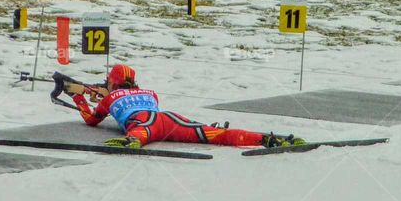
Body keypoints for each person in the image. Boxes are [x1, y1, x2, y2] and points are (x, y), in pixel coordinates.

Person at [72, 64, 305, 149]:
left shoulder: (109, 98)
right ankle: (264, 139)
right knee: (213, 134)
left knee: (139, 134)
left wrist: (79, 98)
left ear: (111, 82)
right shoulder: (149, 92)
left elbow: (93, 120)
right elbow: (129, 99)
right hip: (167, 118)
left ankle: (131, 142)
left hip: (144, 123)